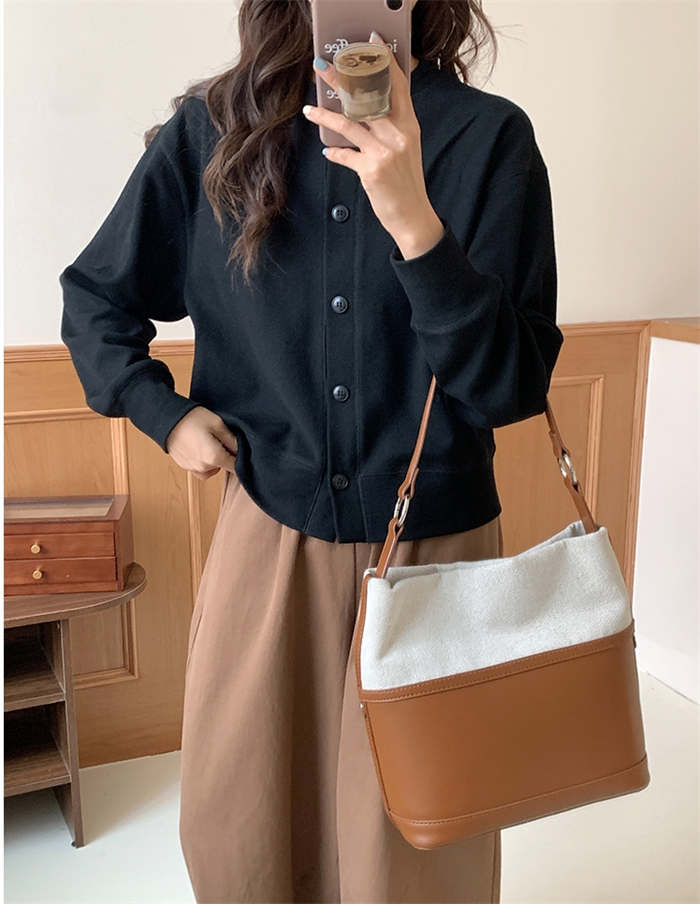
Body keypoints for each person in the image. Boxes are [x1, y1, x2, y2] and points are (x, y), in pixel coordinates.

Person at [59, 1, 564, 900]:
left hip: (437, 554)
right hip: (269, 540)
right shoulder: (213, 132)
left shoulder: (489, 140)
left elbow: (510, 388)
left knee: (414, 857)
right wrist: (162, 414)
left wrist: (414, 222)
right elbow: (96, 297)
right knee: (244, 831)